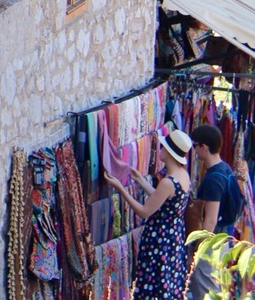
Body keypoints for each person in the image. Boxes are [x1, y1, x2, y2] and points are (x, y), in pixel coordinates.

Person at [104, 129, 194, 300]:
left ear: (169, 153)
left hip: (159, 239)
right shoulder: (183, 175)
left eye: (162, 147)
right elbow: (162, 199)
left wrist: (120, 189)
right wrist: (141, 180)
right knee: (166, 283)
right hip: (172, 238)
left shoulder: (168, 182)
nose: (160, 149)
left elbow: (144, 211)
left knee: (153, 285)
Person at [185, 124, 244, 300]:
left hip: (211, 243)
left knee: (206, 290)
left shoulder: (213, 180)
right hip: (223, 239)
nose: (194, 151)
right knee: (215, 288)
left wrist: (197, 251)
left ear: (204, 147)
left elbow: (210, 221)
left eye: (195, 146)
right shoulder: (225, 168)